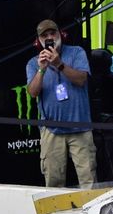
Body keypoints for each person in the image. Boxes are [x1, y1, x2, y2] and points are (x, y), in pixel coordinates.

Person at [26, 19, 97, 188]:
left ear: (60, 35)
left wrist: (59, 64)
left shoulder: (76, 53)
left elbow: (81, 80)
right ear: (39, 41)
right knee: (53, 183)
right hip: (51, 130)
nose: (50, 37)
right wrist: (42, 69)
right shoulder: (33, 63)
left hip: (80, 127)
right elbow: (33, 92)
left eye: (53, 33)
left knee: (88, 182)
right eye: (45, 35)